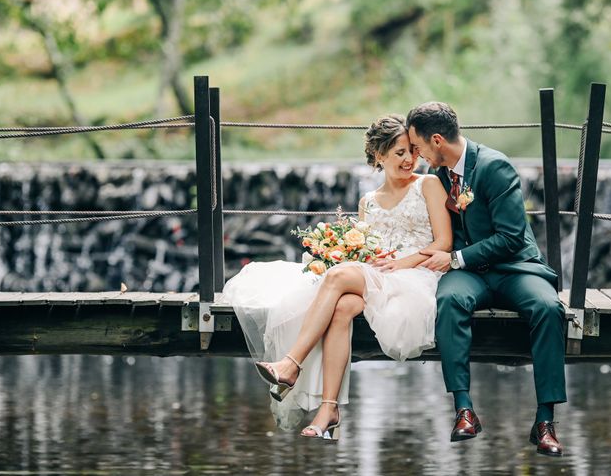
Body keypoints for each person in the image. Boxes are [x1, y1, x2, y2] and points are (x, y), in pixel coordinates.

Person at [223, 115, 452, 440]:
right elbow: (367, 253)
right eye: (399, 152)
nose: (409, 159)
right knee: (343, 305)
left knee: (337, 278)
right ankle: (329, 409)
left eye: (412, 151)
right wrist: (358, 256)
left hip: (416, 277)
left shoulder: (427, 184)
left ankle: (290, 365)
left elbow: (443, 243)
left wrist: (401, 264)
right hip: (376, 276)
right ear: (379, 156)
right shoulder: (367, 202)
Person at [407, 101, 567, 457]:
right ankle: (464, 410)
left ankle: (545, 421)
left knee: (548, 308)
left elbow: (511, 237)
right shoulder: (438, 175)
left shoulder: (494, 167)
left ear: (436, 140)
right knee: (448, 301)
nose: (416, 156)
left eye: (417, 147)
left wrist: (455, 258)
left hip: (513, 267)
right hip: (469, 275)